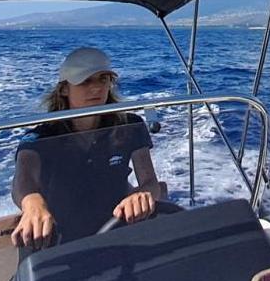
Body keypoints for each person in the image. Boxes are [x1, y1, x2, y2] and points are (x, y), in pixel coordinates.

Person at [11, 47, 166, 250]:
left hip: (120, 232)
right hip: (59, 242)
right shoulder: (41, 137)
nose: (97, 88)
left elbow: (150, 182)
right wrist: (32, 203)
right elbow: (24, 178)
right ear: (64, 89)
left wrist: (143, 194)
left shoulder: (130, 126)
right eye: (85, 81)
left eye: (103, 79)